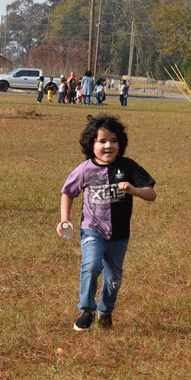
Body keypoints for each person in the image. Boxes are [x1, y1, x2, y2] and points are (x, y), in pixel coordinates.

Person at [58, 115, 156, 331]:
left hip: (119, 234)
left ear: (120, 143)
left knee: (113, 278)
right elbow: (68, 193)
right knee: (91, 266)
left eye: (113, 140)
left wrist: (134, 190)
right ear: (91, 144)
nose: (108, 145)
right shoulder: (84, 170)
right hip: (92, 230)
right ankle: (87, 310)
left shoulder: (128, 167)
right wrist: (65, 219)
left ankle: (106, 311)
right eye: (101, 141)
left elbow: (152, 194)